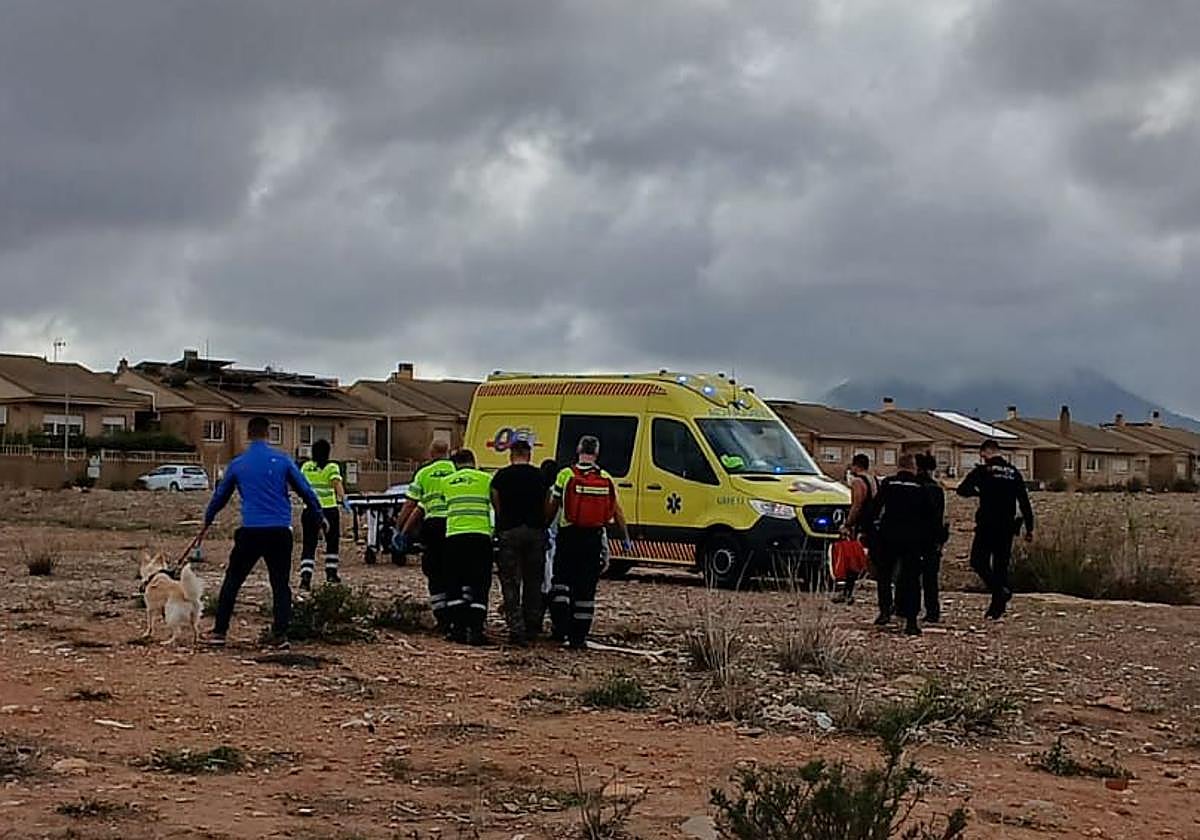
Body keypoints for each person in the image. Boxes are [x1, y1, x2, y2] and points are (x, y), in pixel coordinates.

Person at [203, 416, 324, 650]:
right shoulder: (283, 460)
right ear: (268, 434)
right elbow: (306, 491)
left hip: (251, 530)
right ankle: (280, 634)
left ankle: (219, 631)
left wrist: (208, 519)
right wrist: (318, 514)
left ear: (248, 435)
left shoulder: (238, 464)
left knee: (233, 580)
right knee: (280, 584)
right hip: (279, 531)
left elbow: (220, 496)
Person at [545, 436, 632, 650]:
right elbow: (617, 511)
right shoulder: (606, 478)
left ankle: (560, 628)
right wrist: (625, 537)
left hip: (569, 536)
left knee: (561, 582)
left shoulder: (565, 475)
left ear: (578, 449)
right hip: (593, 538)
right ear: (597, 453)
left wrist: (544, 526)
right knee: (586, 589)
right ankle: (579, 637)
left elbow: (553, 504)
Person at [957, 439, 1034, 620]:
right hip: (1007, 526)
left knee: (978, 561)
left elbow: (962, 489)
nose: (982, 457)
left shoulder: (983, 471)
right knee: (1001, 567)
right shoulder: (1013, 472)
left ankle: (999, 592)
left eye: (982, 454)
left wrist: (979, 492)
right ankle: (997, 607)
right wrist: (1030, 527)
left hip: (987, 524)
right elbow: (1024, 501)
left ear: (986, 451)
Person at [490, 439, 550, 645]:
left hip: (509, 531)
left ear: (511, 455)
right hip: (535, 531)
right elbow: (548, 503)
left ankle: (515, 628)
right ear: (529, 455)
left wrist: (503, 524)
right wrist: (543, 523)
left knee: (510, 581)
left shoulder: (501, 476)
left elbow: (496, 502)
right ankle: (532, 626)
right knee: (533, 581)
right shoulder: (539, 476)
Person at [395, 441, 457, 633]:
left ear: (431, 452)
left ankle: (442, 618)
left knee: (434, 571)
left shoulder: (424, 473)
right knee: (454, 570)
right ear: (447, 452)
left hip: (433, 526)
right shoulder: (457, 470)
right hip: (455, 524)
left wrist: (400, 529)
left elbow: (412, 505)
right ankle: (457, 616)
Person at [873, 453, 937, 636]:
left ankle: (885, 612)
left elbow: (875, 508)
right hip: (912, 538)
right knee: (911, 579)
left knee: (884, 576)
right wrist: (931, 541)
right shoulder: (921, 486)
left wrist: (870, 532)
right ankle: (911, 621)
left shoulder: (888, 483)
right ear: (914, 467)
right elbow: (930, 516)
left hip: (888, 536)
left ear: (898, 466)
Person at [441, 449, 494, 645]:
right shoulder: (486, 479)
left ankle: (458, 629)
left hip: (454, 537)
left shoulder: (446, 482)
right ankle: (476, 630)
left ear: (455, 464)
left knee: (455, 582)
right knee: (480, 583)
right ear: (474, 461)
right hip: (480, 536)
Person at [299, 438, 350, 591]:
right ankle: (331, 574)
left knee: (309, 543)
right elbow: (337, 484)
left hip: (310, 509)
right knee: (332, 541)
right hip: (329, 509)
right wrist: (344, 499)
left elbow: (301, 485)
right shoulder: (332, 467)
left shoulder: (306, 467)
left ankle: (306, 577)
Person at [834, 453, 878, 605]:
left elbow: (857, 504)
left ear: (855, 465)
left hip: (861, 524)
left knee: (851, 557)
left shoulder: (857, 482)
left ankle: (847, 592)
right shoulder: (873, 480)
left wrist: (848, 523)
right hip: (873, 523)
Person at [914, 452, 948, 623]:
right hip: (933, 538)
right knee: (930, 578)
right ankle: (932, 611)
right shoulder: (937, 489)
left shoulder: (916, 487)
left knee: (910, 576)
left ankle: (908, 609)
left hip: (916, 537)